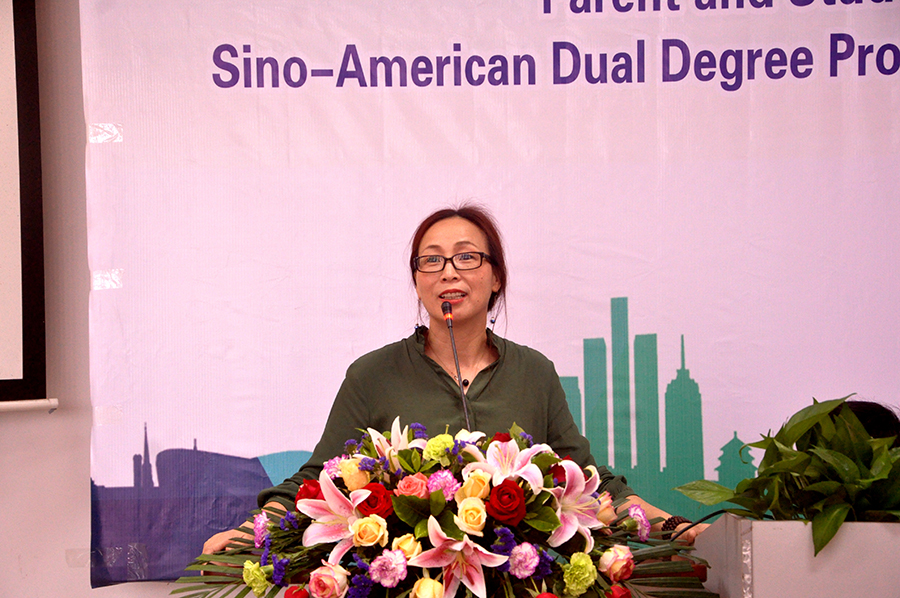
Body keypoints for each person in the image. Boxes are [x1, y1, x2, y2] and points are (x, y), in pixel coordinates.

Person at [203, 204, 705, 555]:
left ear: (496, 276)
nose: (448, 273)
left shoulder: (534, 372)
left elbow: (588, 482)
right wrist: (252, 532)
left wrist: (672, 524)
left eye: (467, 257)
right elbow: (317, 479)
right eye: (431, 260)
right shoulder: (372, 375)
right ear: (417, 279)